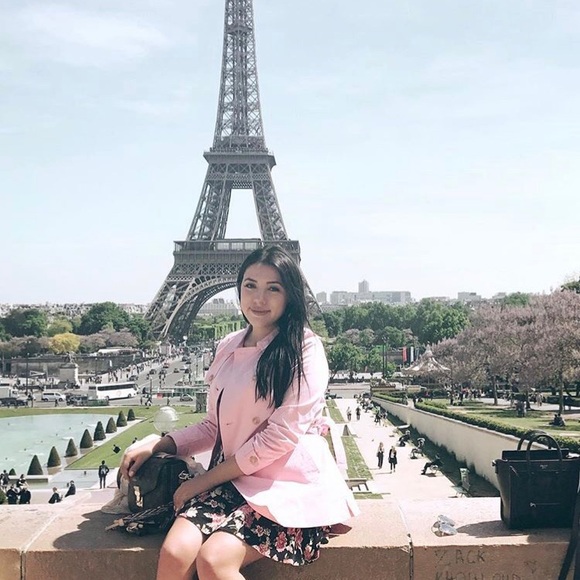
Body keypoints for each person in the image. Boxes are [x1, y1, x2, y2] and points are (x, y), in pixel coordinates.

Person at [120, 245, 358, 580]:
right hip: (231, 480)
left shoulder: (305, 348)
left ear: (290, 294)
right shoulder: (228, 345)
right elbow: (213, 426)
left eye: (273, 288)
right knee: (174, 554)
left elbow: (279, 438)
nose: (259, 298)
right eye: (250, 285)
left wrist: (202, 481)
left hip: (284, 484)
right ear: (238, 289)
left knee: (214, 561)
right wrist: (159, 445)